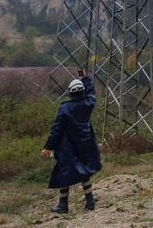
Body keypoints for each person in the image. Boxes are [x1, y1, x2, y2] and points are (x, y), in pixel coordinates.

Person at [40, 69, 101, 213]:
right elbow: (92, 94)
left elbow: (56, 130)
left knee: (64, 173)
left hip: (68, 147)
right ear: (82, 92)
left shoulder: (65, 109)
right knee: (84, 172)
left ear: (70, 92)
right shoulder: (88, 104)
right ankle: (90, 201)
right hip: (85, 144)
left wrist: (48, 147)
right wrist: (86, 79)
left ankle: (63, 205)